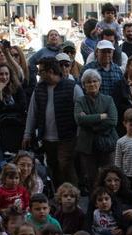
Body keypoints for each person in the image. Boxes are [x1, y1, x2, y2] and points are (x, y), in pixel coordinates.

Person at [23, 58, 83, 186]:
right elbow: (32, 112)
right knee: (53, 167)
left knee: (65, 166)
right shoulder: (39, 89)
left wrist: (80, 135)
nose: (38, 74)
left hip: (68, 137)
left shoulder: (72, 87)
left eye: (41, 71)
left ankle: (72, 196)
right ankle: (59, 196)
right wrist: (27, 134)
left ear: (50, 71)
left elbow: (82, 113)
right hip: (47, 138)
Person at [75, 68, 118, 188]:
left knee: (109, 176)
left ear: (100, 83)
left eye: (94, 81)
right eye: (88, 82)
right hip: (87, 145)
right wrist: (100, 116)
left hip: (107, 143)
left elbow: (112, 120)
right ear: (83, 85)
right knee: (91, 179)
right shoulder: (80, 101)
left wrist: (90, 122)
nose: (92, 84)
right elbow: (79, 120)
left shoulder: (108, 99)